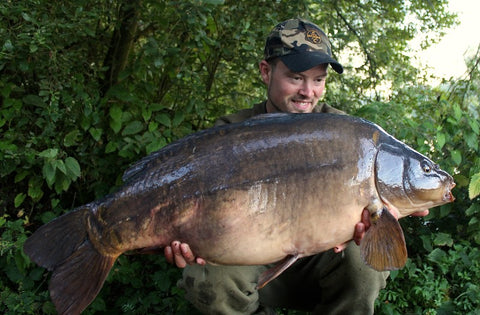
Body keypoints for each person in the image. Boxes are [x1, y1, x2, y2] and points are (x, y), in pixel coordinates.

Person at [163, 18, 425, 314]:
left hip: (319, 257)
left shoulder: (346, 135)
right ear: (266, 71)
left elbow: (377, 206)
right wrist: (185, 236)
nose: (308, 92)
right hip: (247, 254)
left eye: (318, 80)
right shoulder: (230, 132)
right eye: (296, 77)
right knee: (208, 276)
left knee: (362, 265)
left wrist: (382, 217)